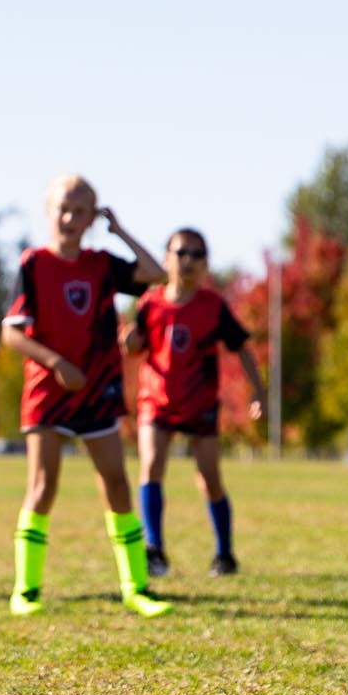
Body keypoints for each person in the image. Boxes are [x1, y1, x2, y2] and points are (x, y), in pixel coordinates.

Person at [1, 175, 170, 617]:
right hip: (48, 393)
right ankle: (27, 590)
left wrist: (120, 231)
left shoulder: (101, 264)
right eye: (63, 208)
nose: (70, 218)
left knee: (116, 483)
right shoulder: (33, 264)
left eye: (81, 211)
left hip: (96, 391)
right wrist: (56, 363)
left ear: (92, 217)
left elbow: (157, 273)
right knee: (43, 486)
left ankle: (136, 588)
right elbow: (11, 333)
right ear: (48, 211)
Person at [125, 228, 266, 578]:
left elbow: (242, 349)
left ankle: (224, 554)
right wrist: (129, 341)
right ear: (167, 258)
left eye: (196, 254)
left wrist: (258, 391)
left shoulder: (213, 307)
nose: (188, 260)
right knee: (152, 465)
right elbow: (135, 345)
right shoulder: (150, 304)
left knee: (209, 478)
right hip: (156, 400)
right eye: (181, 252)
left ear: (206, 264)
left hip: (200, 401)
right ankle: (154, 549)